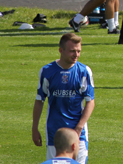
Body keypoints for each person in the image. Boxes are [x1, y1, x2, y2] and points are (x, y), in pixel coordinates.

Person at [33, 33, 95, 164]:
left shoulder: (84, 71)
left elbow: (90, 101)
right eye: (72, 51)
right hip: (54, 132)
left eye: (79, 51)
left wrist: (79, 127)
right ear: (61, 50)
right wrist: (34, 128)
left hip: (78, 133)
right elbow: (39, 100)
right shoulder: (47, 71)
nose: (76, 55)